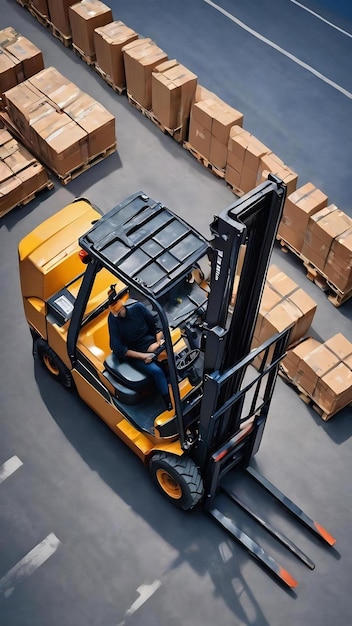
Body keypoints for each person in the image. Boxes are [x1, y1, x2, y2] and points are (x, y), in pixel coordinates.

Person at [107, 288, 172, 411]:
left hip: (152, 344)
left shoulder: (137, 307)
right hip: (136, 353)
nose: (117, 313)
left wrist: (158, 342)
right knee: (156, 371)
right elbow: (118, 349)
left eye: (119, 309)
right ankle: (168, 401)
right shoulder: (113, 320)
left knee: (171, 356)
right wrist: (144, 356)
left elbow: (156, 324)